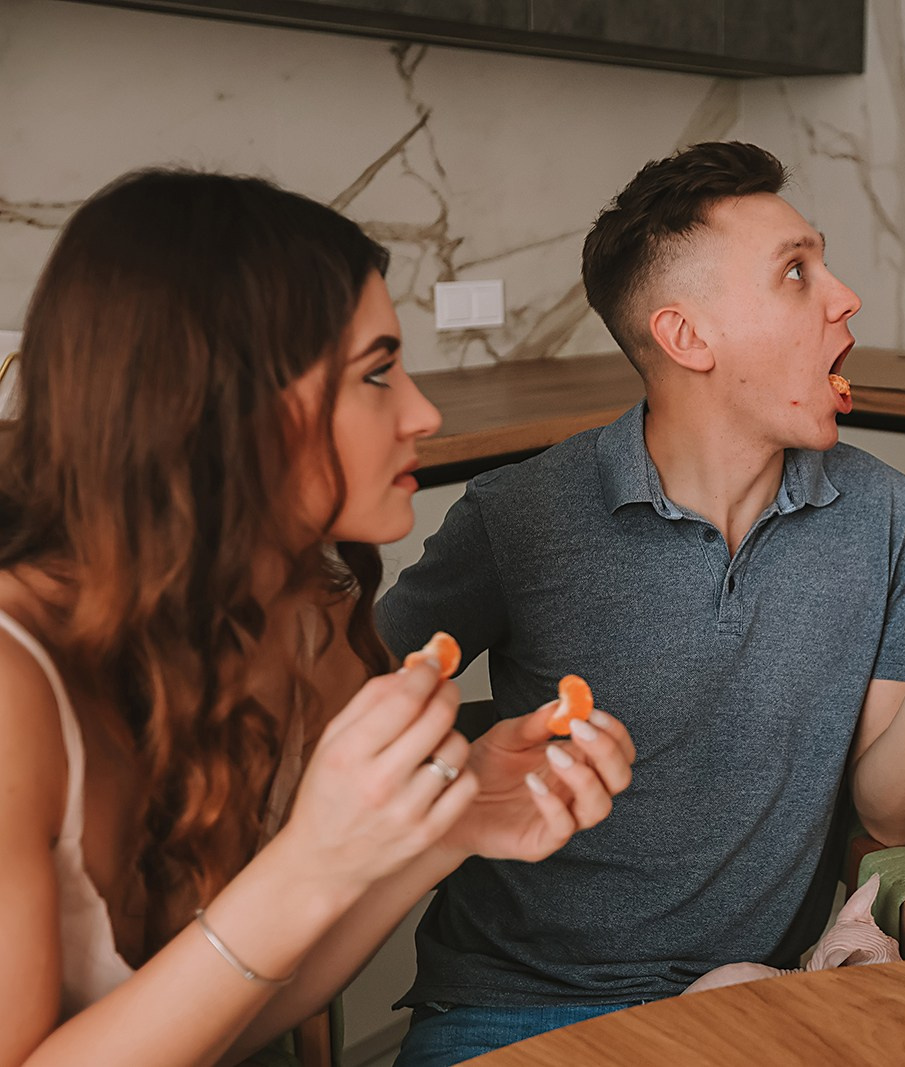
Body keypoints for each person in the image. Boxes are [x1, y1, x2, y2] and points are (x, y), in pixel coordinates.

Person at [376, 141, 905, 1065]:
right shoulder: (520, 516)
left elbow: (890, 819)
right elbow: (348, 710)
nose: (846, 297)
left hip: (752, 1000)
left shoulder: (884, 514)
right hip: (514, 1007)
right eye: (796, 272)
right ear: (687, 338)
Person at [0, 169, 634, 1067]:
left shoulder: (304, 625)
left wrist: (446, 829)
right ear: (214, 406)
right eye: (377, 373)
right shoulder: (12, 686)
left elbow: (240, 1013)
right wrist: (312, 859)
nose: (424, 412)